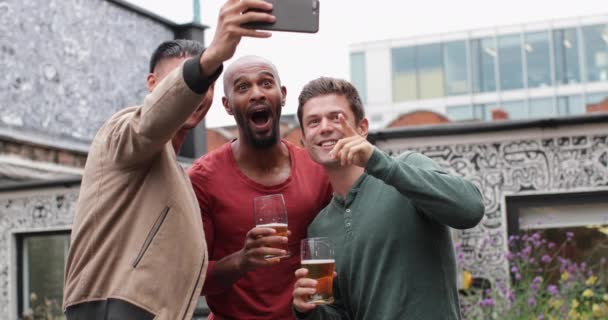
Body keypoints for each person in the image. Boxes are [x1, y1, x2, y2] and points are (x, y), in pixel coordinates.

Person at [62, 1, 278, 319]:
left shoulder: (177, 175)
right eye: (188, 79)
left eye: (206, 84)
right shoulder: (120, 134)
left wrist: (241, 260)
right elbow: (151, 120)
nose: (196, 91)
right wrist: (212, 58)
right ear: (152, 85)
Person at [292, 77, 485, 320]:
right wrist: (308, 310)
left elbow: (472, 209)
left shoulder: (406, 168)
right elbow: (341, 314)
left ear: (362, 128)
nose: (324, 127)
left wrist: (377, 162)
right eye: (313, 122)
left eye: (335, 117)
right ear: (303, 141)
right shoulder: (320, 227)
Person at [188, 56, 332, 319]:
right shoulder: (202, 178)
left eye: (266, 83)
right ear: (227, 105)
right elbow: (191, 279)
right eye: (242, 87)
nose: (256, 94)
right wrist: (242, 261)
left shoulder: (318, 171)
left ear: (283, 94)